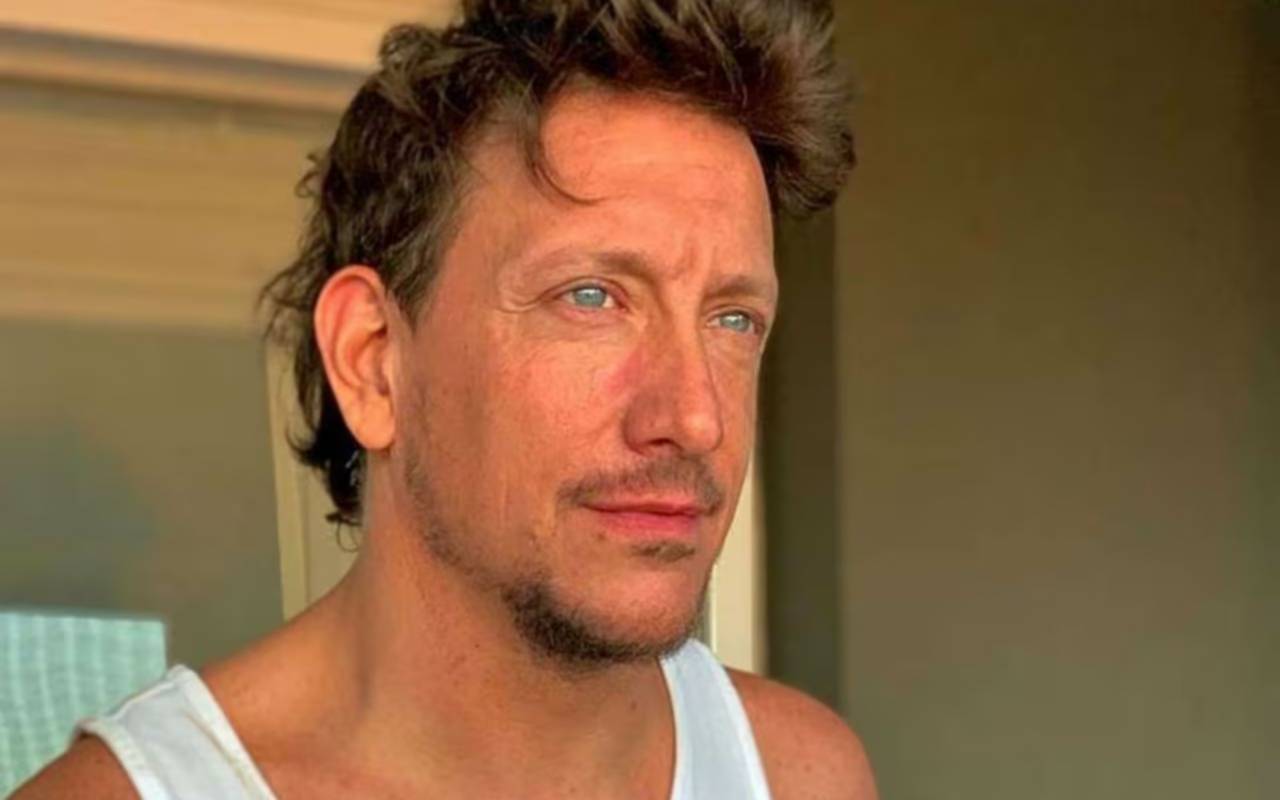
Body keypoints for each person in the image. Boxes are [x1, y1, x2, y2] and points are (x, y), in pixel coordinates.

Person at [17, 1, 875, 797]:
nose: (695, 417)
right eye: (590, 297)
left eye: (732, 318)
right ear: (372, 361)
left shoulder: (799, 774)